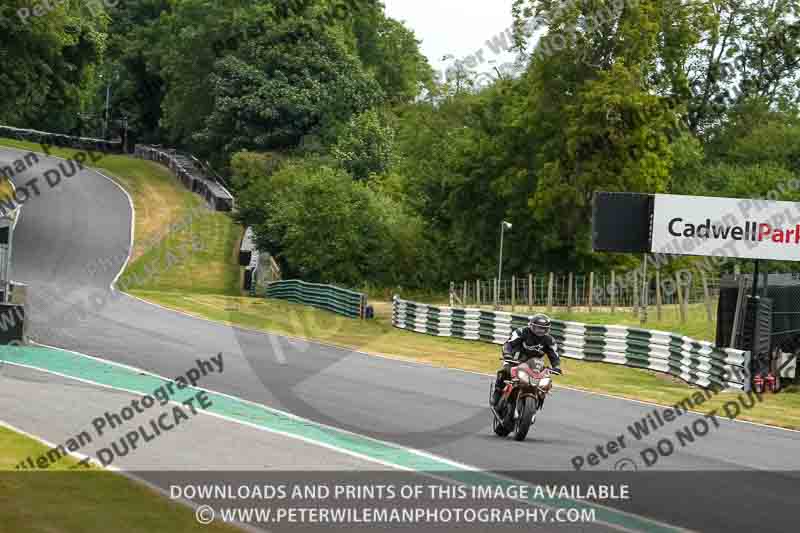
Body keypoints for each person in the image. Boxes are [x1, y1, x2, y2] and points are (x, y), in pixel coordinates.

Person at [490, 313, 562, 407]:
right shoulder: (521, 332)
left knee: (545, 382)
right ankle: (497, 392)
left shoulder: (550, 340)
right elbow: (509, 344)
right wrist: (507, 354)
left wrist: (556, 367)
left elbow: (554, 355)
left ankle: (538, 401)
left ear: (548, 329)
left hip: (535, 365)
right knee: (505, 371)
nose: (540, 331)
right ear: (531, 325)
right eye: (538, 328)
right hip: (515, 359)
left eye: (544, 328)